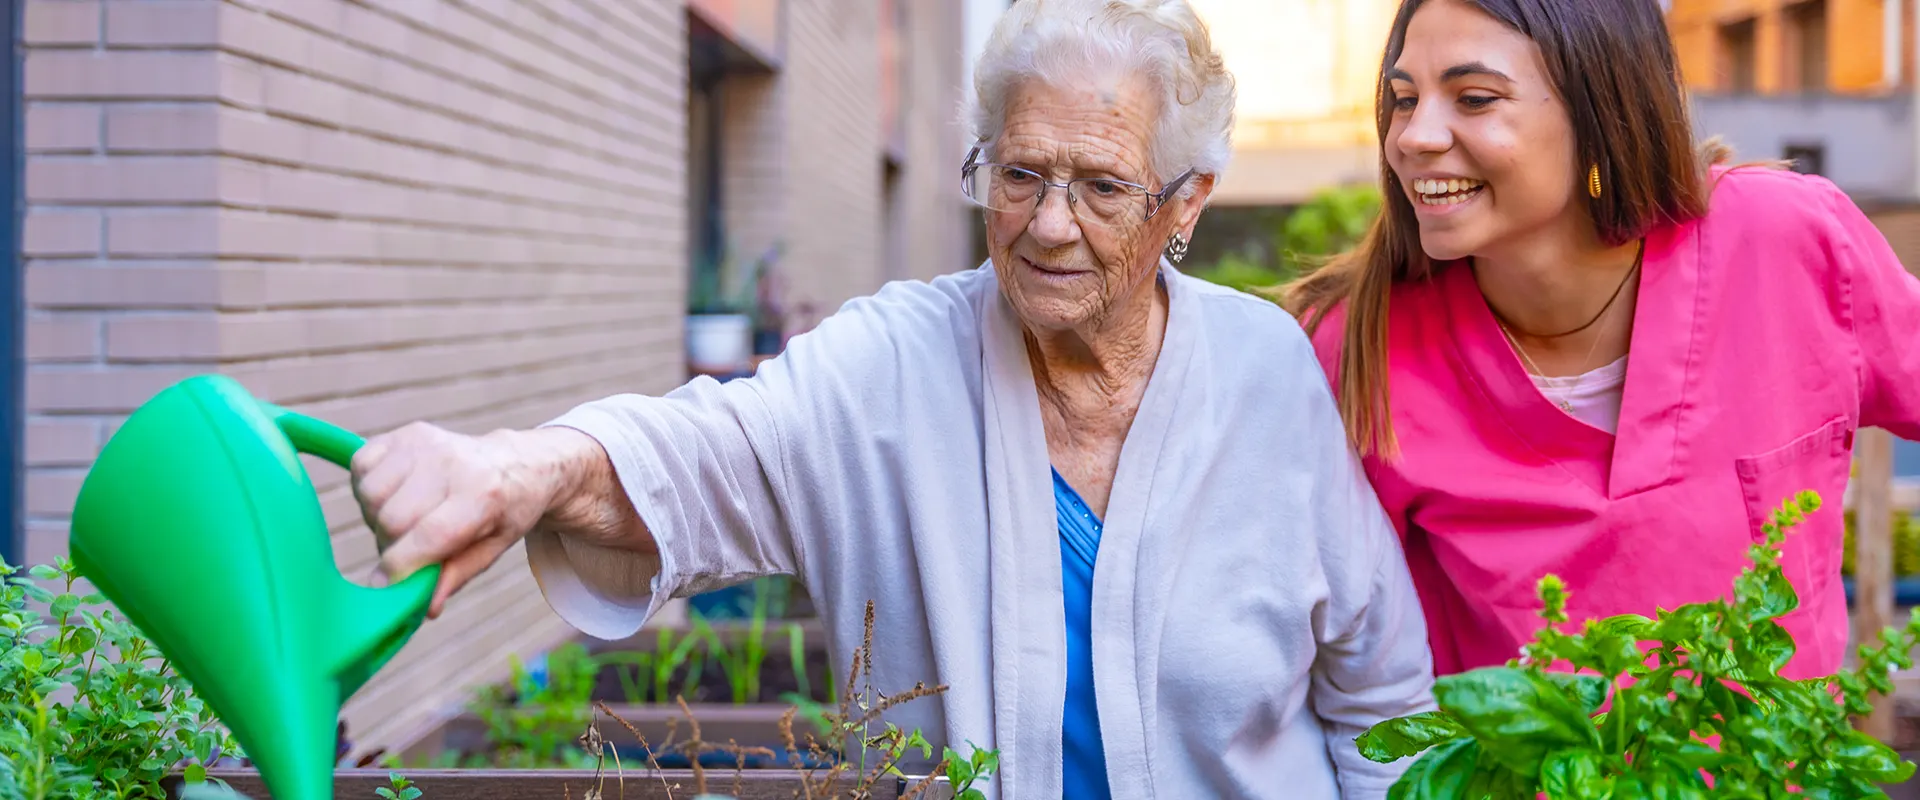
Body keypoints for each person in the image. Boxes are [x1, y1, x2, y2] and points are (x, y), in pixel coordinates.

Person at [348, 1, 1435, 797]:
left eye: (1102, 186)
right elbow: (699, 453)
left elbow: (1380, 698)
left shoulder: (1266, 370)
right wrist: (521, 467)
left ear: (1185, 202)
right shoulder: (892, 362)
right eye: (1019, 174)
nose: (1050, 224)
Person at [1284, 0, 1920, 682]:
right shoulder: (1351, 349)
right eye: (1403, 99)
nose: (1413, 136)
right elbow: (1335, 662)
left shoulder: (1787, 241)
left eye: (1473, 98)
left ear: (1600, 110)